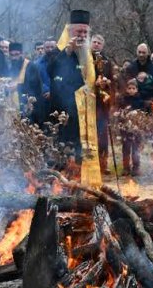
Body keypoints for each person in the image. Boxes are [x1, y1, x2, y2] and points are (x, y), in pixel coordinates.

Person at [48, 10, 92, 161]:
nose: (82, 35)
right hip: (62, 105)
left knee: (80, 140)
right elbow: (51, 70)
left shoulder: (89, 52)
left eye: (85, 32)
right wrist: (68, 51)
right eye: (79, 31)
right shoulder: (57, 52)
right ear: (70, 31)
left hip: (84, 105)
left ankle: (80, 167)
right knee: (64, 139)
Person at [91, 34, 114, 174]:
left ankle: (103, 163)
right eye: (94, 42)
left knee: (102, 133)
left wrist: (107, 83)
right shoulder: (84, 59)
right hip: (88, 101)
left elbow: (112, 81)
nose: (96, 44)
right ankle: (89, 163)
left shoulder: (107, 62)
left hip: (102, 104)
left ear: (103, 45)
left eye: (99, 43)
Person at [119, 79, 146, 176]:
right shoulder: (123, 100)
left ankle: (136, 167)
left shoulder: (140, 100)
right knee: (126, 148)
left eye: (133, 88)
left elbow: (142, 113)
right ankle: (126, 168)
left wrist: (137, 117)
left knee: (136, 148)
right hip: (125, 127)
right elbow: (120, 112)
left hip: (136, 128)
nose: (131, 90)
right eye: (129, 88)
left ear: (137, 89)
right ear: (126, 89)